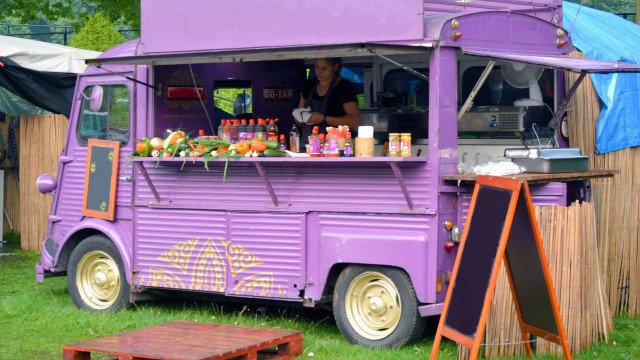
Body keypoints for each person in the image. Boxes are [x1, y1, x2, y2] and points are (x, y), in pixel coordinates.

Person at [295, 58, 360, 145]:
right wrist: (303, 118)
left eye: (324, 68)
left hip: (334, 146)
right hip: (307, 145)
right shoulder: (308, 85)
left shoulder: (344, 87)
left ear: (335, 67)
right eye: (317, 67)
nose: (319, 71)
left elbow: (355, 121)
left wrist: (324, 119)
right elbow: (297, 118)